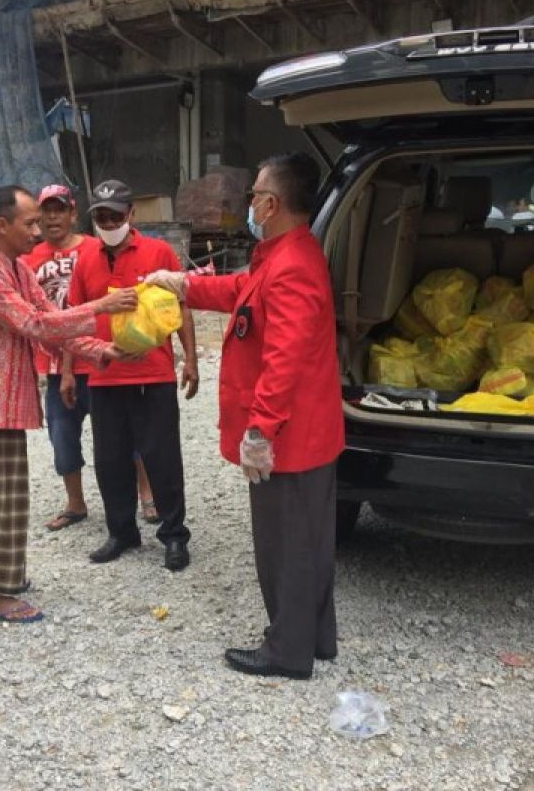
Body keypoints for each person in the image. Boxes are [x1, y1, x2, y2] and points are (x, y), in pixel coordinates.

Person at [145, 152, 344, 679]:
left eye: (254, 194)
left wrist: (260, 429)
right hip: (300, 435)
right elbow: (237, 293)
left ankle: (288, 651)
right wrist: (183, 284)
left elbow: (286, 358)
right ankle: (315, 637)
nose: (249, 203)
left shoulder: (292, 266)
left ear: (272, 203)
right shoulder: (280, 256)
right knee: (308, 542)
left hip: (291, 439)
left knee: (287, 549)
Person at [0, 185, 137, 623]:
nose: (38, 230)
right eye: (30, 222)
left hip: (4, 402)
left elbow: (52, 326)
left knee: (7, 496)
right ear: (2, 225)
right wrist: (102, 305)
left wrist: (100, 350)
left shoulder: (16, 268)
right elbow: (33, 323)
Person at [67, 179, 199, 572]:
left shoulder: (159, 253)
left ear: (132, 215)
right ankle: (121, 531)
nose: (108, 222)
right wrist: (68, 372)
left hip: (153, 375)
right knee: (109, 461)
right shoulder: (86, 260)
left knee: (162, 459)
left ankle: (174, 536)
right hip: (104, 377)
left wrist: (190, 359)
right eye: (101, 216)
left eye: (115, 215)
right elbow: (73, 319)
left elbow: (182, 308)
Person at [20, 184, 161, 532]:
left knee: (123, 436)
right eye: (46, 211)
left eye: (59, 209)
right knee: (63, 436)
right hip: (57, 365)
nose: (52, 217)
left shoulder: (96, 249)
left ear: (72, 213)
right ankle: (75, 503)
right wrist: (65, 369)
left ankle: (147, 496)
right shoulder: (28, 259)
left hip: (104, 361)